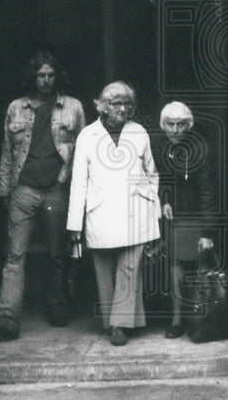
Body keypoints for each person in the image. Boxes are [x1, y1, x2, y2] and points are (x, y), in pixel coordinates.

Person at [0, 52, 85, 340]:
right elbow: (7, 153)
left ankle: (58, 306)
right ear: (32, 77)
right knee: (15, 254)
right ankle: (6, 317)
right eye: (41, 75)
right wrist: (5, 190)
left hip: (57, 189)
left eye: (51, 75)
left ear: (58, 76)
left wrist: (76, 191)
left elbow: (82, 153)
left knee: (57, 253)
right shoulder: (16, 108)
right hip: (23, 189)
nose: (46, 80)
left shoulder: (73, 107)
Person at [67, 81, 160, 346]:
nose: (123, 108)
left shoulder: (139, 131)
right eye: (117, 103)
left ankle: (119, 325)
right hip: (101, 213)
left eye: (128, 103)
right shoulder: (87, 135)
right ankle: (115, 321)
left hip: (135, 211)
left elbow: (152, 173)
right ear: (103, 106)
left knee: (130, 269)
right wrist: (75, 225)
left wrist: (151, 207)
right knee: (104, 272)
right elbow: (78, 182)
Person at [151, 102, 218, 339]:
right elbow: (162, 178)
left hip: (200, 214)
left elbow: (208, 189)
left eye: (181, 124)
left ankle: (203, 319)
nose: (176, 130)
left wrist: (207, 231)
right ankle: (177, 320)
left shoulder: (200, 147)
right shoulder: (160, 145)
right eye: (171, 124)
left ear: (188, 125)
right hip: (174, 215)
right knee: (175, 265)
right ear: (164, 125)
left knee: (202, 266)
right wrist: (165, 199)